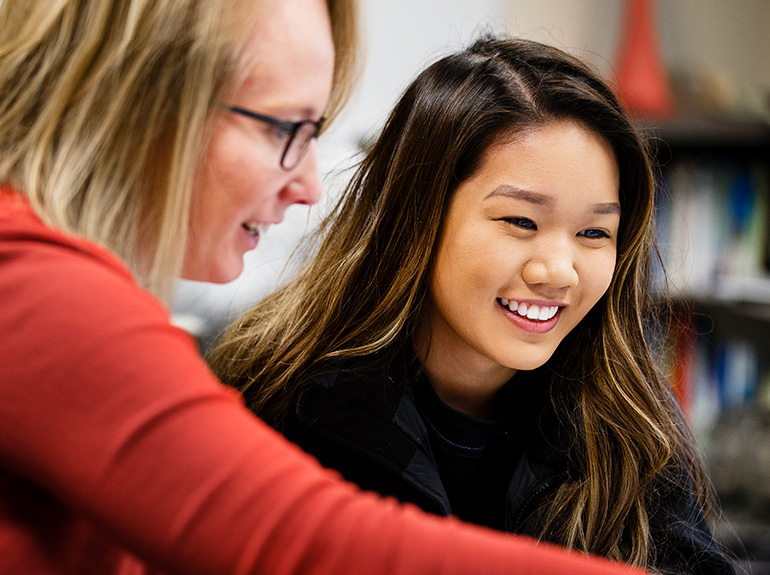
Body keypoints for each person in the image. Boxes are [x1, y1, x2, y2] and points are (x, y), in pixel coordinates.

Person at [0, 1, 648, 574]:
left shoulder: (622, 417)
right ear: (140, 101)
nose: (309, 184)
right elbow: (302, 540)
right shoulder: (33, 285)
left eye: (594, 233)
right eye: (283, 129)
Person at [209, 37, 737, 575]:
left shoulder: (627, 415)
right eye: (520, 222)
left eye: (593, 232)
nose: (559, 271)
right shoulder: (277, 396)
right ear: (418, 214)